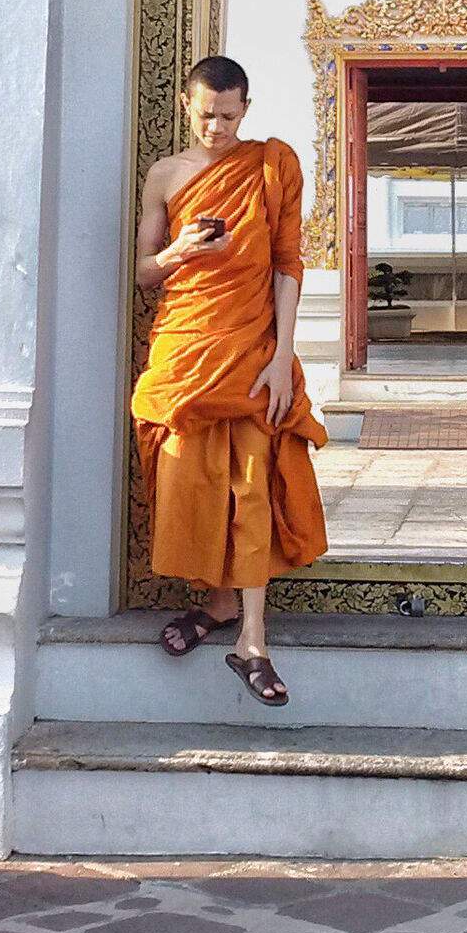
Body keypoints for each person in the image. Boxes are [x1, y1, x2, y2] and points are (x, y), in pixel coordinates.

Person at [131, 54, 328, 706]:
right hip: (185, 348)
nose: (216, 127)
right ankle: (215, 605)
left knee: (252, 487)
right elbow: (142, 272)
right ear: (187, 107)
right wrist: (180, 250)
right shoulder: (165, 175)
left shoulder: (271, 167)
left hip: (251, 351)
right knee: (190, 479)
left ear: (246, 110)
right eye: (205, 114)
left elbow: (287, 264)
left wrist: (282, 355)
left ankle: (253, 639)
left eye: (228, 115)